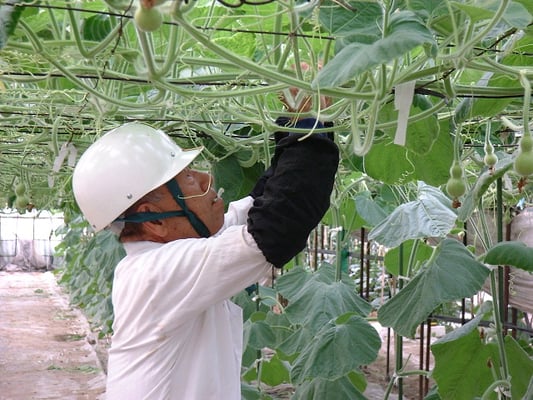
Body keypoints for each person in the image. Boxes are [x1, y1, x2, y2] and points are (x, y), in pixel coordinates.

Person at [72, 99, 339, 399]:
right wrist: (308, 122)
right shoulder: (156, 273)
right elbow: (276, 229)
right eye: (188, 178)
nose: (205, 179)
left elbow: (264, 207)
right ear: (155, 220)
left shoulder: (171, 251)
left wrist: (299, 121)